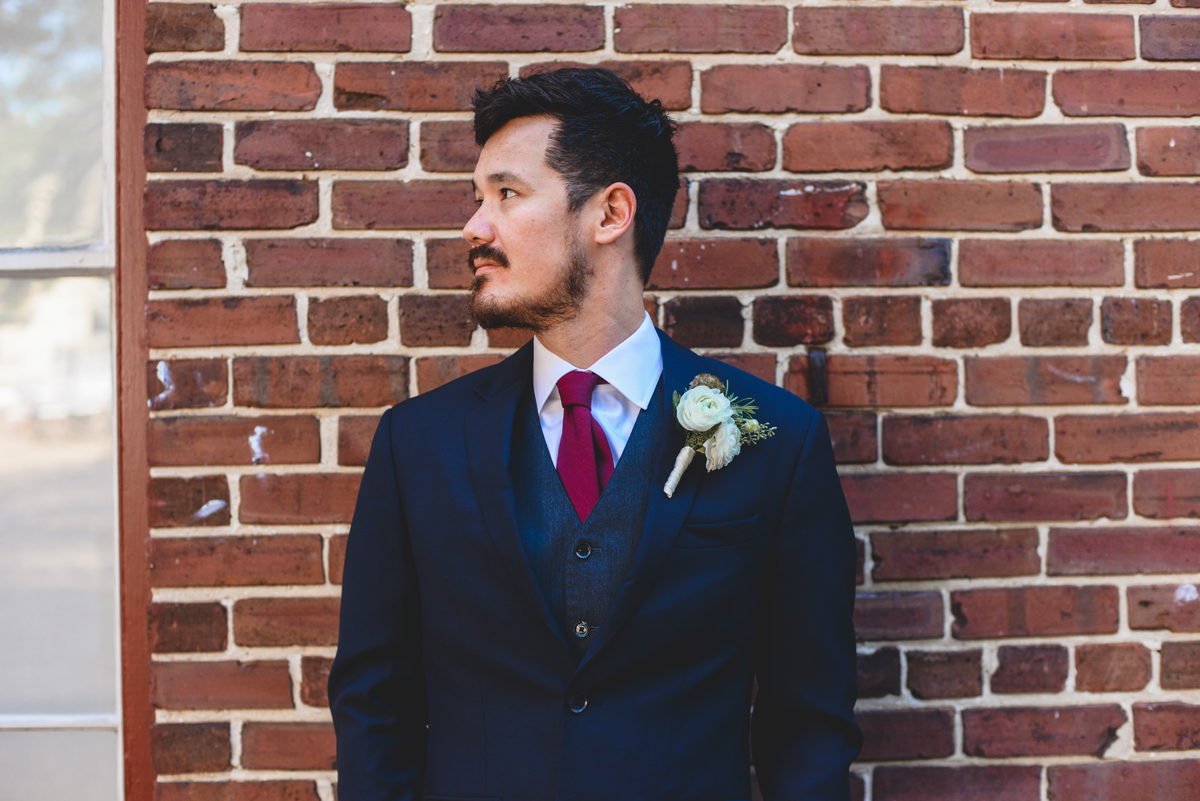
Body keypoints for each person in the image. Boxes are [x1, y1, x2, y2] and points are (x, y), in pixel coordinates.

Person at [328, 67, 861, 801]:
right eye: (476, 198)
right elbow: (374, 708)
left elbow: (809, 720)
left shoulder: (779, 442)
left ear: (610, 213)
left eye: (507, 195)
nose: (474, 226)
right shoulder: (417, 445)